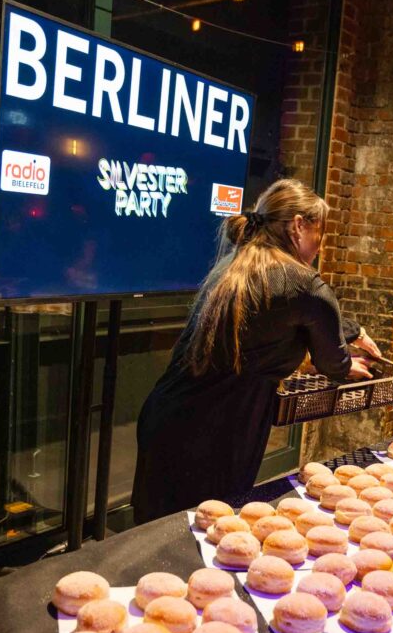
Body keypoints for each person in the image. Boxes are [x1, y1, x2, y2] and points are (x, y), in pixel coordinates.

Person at [132, 179, 380, 524]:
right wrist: (346, 357)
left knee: (157, 535)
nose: (320, 245)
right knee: (208, 535)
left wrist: (351, 332)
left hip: (167, 417)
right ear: (298, 226)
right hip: (216, 436)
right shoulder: (305, 284)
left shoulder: (233, 264)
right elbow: (332, 361)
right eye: (320, 232)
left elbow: (275, 325)